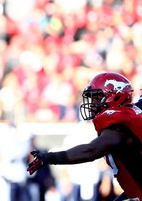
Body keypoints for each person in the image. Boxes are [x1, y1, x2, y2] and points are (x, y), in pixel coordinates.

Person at [27, 72, 142, 201]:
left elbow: (91, 151)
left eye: (97, 97)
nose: (92, 103)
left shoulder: (120, 123)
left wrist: (49, 157)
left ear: (115, 96)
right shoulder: (129, 115)